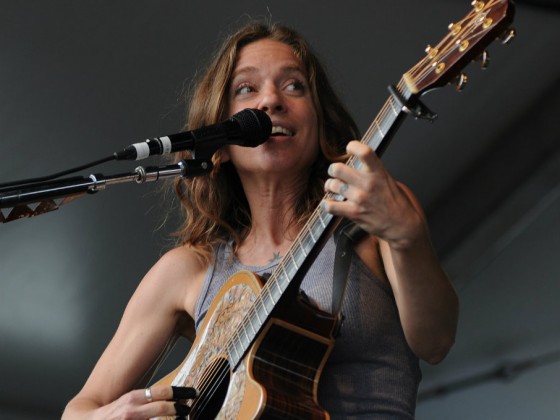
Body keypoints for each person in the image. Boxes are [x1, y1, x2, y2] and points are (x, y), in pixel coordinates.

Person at [62, 22, 458, 419]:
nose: (271, 100)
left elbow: (436, 342)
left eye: (294, 86)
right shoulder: (190, 269)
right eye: (247, 89)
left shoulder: (371, 211)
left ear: (320, 122)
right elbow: (78, 410)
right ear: (219, 145)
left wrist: (407, 237)